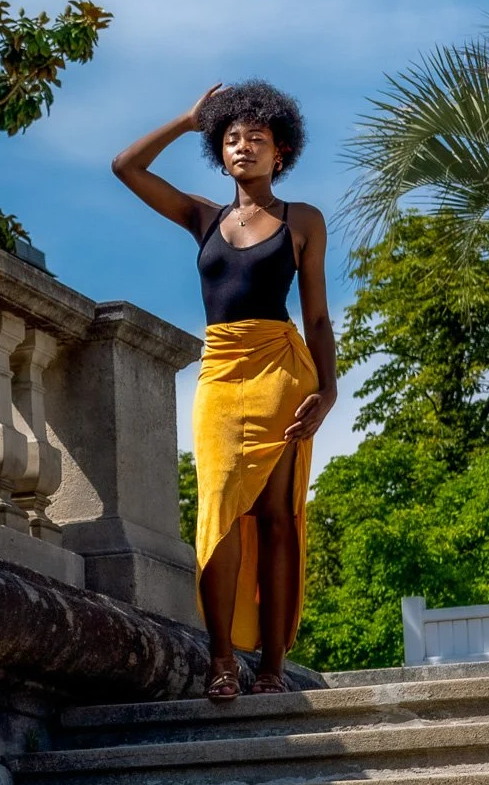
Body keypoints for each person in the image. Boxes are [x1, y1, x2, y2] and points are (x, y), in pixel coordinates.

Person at [112, 80, 337, 701]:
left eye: (256, 138)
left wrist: (328, 391)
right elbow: (126, 166)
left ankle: (271, 666)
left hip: (280, 371)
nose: (243, 147)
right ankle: (221, 662)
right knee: (217, 511)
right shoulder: (203, 217)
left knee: (276, 518)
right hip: (220, 371)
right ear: (220, 150)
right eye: (232, 138)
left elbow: (318, 317)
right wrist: (189, 119)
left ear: (280, 152)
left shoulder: (302, 220)